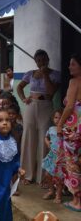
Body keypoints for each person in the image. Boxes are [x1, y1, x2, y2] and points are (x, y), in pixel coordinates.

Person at [17, 49, 60, 184]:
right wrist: (24, 99)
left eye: (43, 59)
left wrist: (46, 75)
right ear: (35, 61)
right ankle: (27, 175)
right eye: (38, 60)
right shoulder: (30, 73)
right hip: (31, 106)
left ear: (48, 59)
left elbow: (51, 92)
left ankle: (44, 177)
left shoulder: (55, 74)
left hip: (46, 106)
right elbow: (19, 87)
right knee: (28, 138)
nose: (41, 62)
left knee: (45, 139)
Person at [56, 54, 81, 212]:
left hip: (74, 127)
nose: (69, 67)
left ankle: (77, 201)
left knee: (73, 164)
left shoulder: (74, 82)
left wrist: (59, 124)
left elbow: (69, 106)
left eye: (72, 64)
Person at [41, 109, 64, 203]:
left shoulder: (65, 130)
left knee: (59, 177)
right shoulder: (51, 129)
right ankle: (51, 190)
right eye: (56, 117)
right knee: (47, 174)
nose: (58, 119)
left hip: (60, 157)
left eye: (60, 117)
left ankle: (58, 195)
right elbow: (46, 137)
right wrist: (47, 143)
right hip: (52, 155)